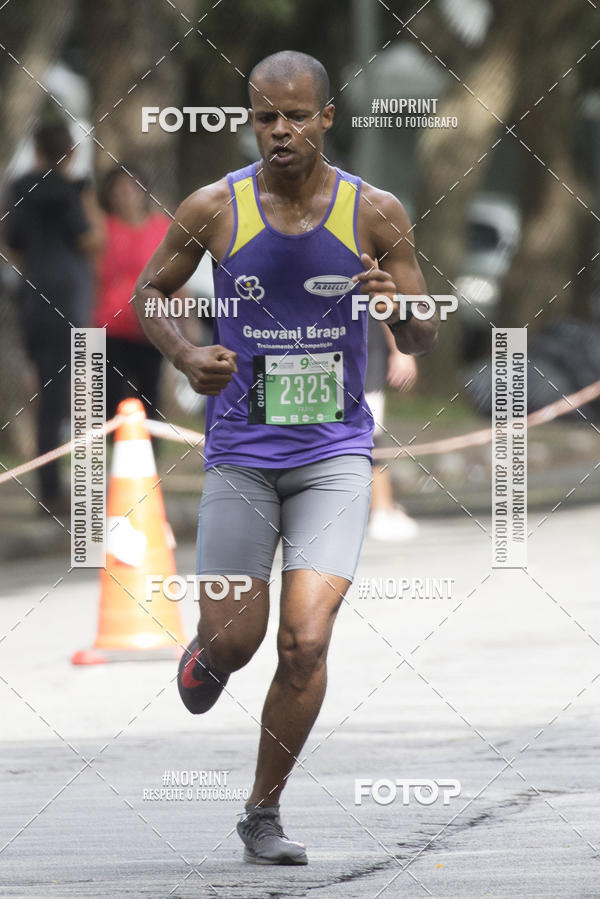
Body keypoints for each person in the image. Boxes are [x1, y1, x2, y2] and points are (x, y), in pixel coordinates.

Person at [133, 51, 438, 865]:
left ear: (326, 118)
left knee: (304, 640)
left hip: (334, 453)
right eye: (266, 116)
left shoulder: (375, 211)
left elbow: (422, 334)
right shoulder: (214, 208)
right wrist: (186, 354)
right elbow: (150, 292)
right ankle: (210, 653)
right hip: (240, 450)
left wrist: (399, 312)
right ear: (250, 120)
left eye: (297, 116)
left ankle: (261, 812)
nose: (281, 131)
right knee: (238, 639)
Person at [3, 119, 103, 513]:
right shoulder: (69, 190)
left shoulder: (17, 188)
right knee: (73, 398)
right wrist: (88, 199)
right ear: (71, 152)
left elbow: (11, 242)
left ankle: (48, 485)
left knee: (47, 393)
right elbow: (93, 239)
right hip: (69, 301)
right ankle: (63, 492)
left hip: (33, 299)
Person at [94, 166, 169, 418]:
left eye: (131, 189)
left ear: (143, 192)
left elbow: (176, 276)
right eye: (118, 190)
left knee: (150, 392)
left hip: (151, 323)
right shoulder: (102, 230)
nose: (125, 196)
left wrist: (186, 316)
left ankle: (152, 450)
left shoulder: (161, 228)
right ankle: (115, 449)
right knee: (111, 395)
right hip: (109, 327)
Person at [366, 318, 420, 540]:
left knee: (368, 429)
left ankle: (382, 509)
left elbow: (383, 298)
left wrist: (400, 350)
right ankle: (381, 510)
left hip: (363, 341)